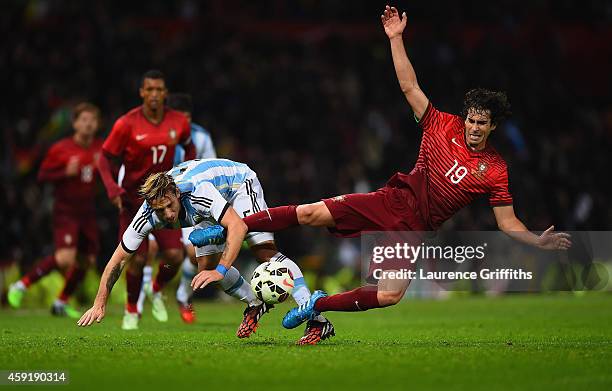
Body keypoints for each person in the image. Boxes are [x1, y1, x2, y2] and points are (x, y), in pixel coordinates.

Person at [188, 5, 572, 330]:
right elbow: (409, 86)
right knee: (309, 212)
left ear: (493, 126)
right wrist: (395, 38)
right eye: (470, 119)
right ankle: (224, 228)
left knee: (389, 295)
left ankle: (317, 305)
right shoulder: (442, 123)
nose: (473, 127)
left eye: (481, 123)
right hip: (391, 200)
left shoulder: (495, 169)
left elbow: (507, 223)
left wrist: (536, 241)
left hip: (415, 227)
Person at [78, 159, 335, 345]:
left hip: (237, 185)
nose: (167, 215)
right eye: (160, 210)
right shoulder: (147, 214)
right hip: (208, 206)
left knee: (264, 253)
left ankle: (315, 318)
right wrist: (99, 303)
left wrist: (222, 269)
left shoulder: (198, 191)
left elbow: (237, 225)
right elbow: (118, 259)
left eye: (169, 206)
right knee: (205, 270)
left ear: (176, 193)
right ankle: (256, 304)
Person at [97, 70, 195, 330]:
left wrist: (186, 173)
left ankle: (157, 287)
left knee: (174, 256)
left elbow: (190, 148)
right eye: (149, 89)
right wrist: (112, 189)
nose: (154, 95)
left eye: (159, 90)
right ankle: (132, 309)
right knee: (136, 259)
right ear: (141, 92)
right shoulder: (126, 124)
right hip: (132, 202)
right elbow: (104, 158)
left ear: (165, 93)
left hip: (166, 202)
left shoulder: (178, 122)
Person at [8, 102, 103, 318]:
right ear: (75, 123)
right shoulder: (61, 149)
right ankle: (21, 285)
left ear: (97, 124)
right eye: (84, 120)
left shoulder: (100, 148)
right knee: (65, 258)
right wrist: (63, 172)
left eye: (92, 120)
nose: (88, 124)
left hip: (87, 212)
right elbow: (41, 176)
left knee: (87, 261)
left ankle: (60, 302)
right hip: (66, 211)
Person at [141, 92, 217, 324]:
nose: (183, 122)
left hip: (190, 201)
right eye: (178, 117)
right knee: (151, 247)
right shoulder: (156, 133)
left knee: (194, 255)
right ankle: (146, 293)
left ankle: (180, 295)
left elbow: (210, 166)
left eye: (187, 117)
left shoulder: (201, 137)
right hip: (161, 201)